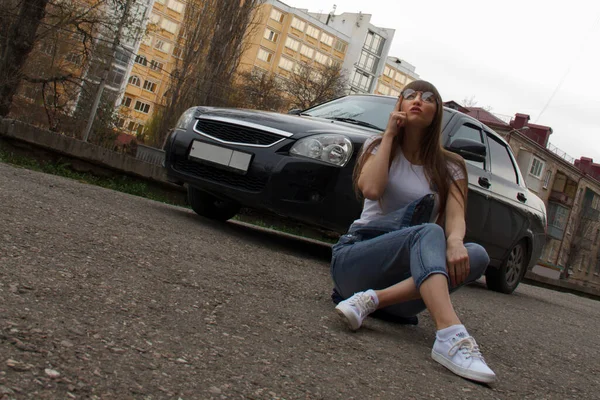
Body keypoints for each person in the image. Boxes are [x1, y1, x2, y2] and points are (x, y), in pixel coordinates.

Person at [331, 80, 496, 384]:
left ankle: (372, 300)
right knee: (429, 232)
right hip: (355, 261)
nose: (418, 100)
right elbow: (371, 189)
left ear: (437, 113)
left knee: (478, 256)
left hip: (404, 297)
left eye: (429, 97)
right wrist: (391, 135)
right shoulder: (378, 146)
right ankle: (449, 335)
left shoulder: (452, 166)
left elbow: (456, 218)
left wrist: (456, 241)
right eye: (410, 95)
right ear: (400, 106)